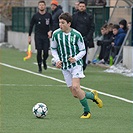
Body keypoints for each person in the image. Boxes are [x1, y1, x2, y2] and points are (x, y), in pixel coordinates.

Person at [51, 12, 103, 118]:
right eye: (59, 22)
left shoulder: (76, 34)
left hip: (76, 65)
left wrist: (75, 58)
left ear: (69, 23)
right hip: (65, 67)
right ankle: (92, 95)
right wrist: (57, 60)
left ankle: (87, 112)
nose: (60, 25)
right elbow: (53, 48)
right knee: (75, 94)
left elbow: (83, 50)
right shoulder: (56, 34)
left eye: (63, 22)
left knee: (76, 87)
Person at [28, 0, 53, 73]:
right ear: (38, 6)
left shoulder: (48, 15)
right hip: (38, 36)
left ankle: (44, 60)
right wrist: (29, 36)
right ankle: (39, 67)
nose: (41, 6)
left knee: (46, 52)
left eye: (43, 5)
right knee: (39, 51)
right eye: (40, 5)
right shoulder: (35, 16)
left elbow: (52, 24)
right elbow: (31, 26)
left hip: (46, 36)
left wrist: (50, 31)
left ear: (45, 6)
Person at [71, 1, 95, 71]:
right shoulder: (74, 16)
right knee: (75, 52)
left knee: (84, 53)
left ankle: (83, 66)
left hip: (85, 38)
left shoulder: (89, 16)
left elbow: (92, 27)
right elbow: (71, 27)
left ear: (85, 7)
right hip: (76, 38)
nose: (81, 8)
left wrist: (88, 37)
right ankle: (76, 66)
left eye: (83, 6)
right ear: (78, 7)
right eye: (80, 6)